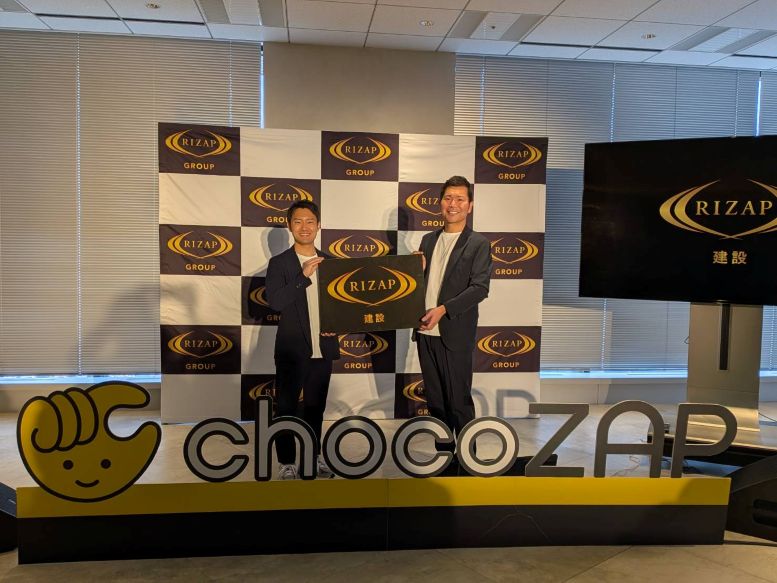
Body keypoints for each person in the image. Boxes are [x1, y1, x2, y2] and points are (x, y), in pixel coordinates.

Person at [415, 175, 492, 458]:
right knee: (436, 403)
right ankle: (444, 459)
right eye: (448, 198)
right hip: (425, 332)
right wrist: (415, 269)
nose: (453, 204)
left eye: (460, 199)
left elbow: (480, 288)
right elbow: (421, 284)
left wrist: (443, 309)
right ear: (440, 203)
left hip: (454, 331)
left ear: (469, 206)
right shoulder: (427, 240)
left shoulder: (478, 243)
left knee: (459, 401)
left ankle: (469, 460)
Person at [265, 200, 339, 480]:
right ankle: (286, 462)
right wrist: (303, 276)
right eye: (298, 221)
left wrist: (336, 326)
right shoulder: (279, 263)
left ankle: (313, 457)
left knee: (315, 408)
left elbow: (342, 305)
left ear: (318, 225)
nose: (304, 227)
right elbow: (276, 302)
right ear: (290, 226)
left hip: (323, 347)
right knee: (285, 408)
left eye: (310, 221)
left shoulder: (331, 263)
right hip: (292, 349)